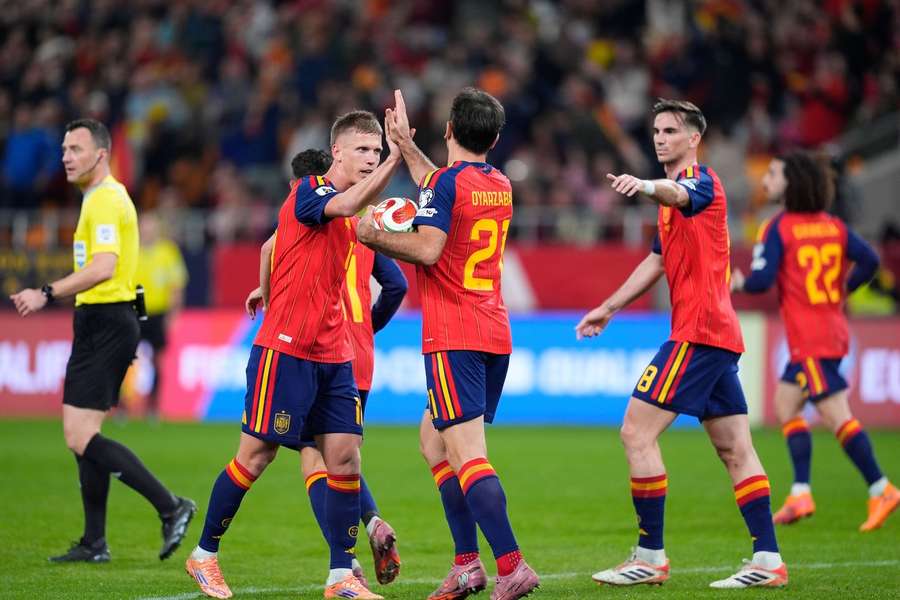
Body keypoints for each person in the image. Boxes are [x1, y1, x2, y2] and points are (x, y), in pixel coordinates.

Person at [184, 111, 402, 600]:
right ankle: (204, 555)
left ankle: (340, 576)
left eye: (376, 150)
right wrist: (399, 155)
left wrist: (264, 287)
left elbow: (274, 245)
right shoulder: (310, 192)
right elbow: (338, 206)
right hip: (285, 351)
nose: (371, 159)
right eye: (363, 150)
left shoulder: (354, 212)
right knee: (255, 458)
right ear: (338, 153)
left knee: (344, 459)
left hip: (336, 354)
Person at [575, 99, 787, 589]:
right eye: (655, 130)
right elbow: (657, 262)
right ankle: (769, 560)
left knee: (636, 432)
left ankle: (650, 555)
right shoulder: (672, 206)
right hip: (715, 335)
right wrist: (609, 307)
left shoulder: (703, 184)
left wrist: (646, 186)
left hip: (699, 332)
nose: (660, 137)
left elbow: (676, 192)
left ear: (693, 138)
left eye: (670, 130)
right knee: (735, 448)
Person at [357, 88, 540, 600]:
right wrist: (403, 147)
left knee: (467, 454)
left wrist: (374, 237)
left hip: (454, 334)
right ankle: (466, 565)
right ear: (496, 138)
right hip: (493, 332)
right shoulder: (498, 182)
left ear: (448, 131)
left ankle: (511, 565)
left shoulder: (444, 183)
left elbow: (430, 249)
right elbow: (440, 184)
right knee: (433, 442)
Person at [10, 118, 195, 563]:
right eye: (64, 149)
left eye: (75, 148)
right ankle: (95, 542)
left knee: (80, 435)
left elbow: (104, 266)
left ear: (101, 154)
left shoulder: (107, 200)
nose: (66, 157)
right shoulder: (98, 199)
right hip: (99, 319)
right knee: (81, 435)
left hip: (108, 319)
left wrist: (46, 292)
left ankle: (171, 507)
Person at [245, 148, 408, 588]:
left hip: (317, 348)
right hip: (358, 355)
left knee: (314, 459)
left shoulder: (305, 214)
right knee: (343, 455)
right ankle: (366, 531)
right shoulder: (361, 225)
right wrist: (368, 328)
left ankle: (348, 559)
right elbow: (396, 285)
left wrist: (265, 294)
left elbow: (268, 248)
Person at [731, 150, 898, 531]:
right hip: (827, 330)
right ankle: (801, 492)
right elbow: (870, 260)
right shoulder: (832, 225)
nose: (766, 179)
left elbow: (760, 282)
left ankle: (881, 487)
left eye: (773, 173)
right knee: (786, 405)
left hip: (810, 339)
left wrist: (739, 281)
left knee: (836, 415)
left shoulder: (778, 227)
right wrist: (842, 291)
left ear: (791, 182)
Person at [134, 210, 188, 419]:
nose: (147, 231)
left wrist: (172, 315)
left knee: (158, 360)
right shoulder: (133, 251)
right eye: (144, 226)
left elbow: (176, 285)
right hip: (137, 312)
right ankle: (122, 406)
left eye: (151, 226)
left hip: (159, 312)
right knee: (127, 358)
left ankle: (153, 407)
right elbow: (132, 285)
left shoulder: (167, 251)